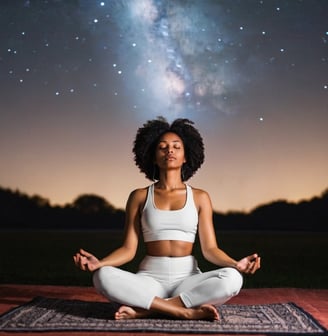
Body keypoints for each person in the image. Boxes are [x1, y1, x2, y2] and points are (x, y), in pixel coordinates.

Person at [73, 117, 261, 321]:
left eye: (176, 147)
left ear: (186, 156)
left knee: (232, 278)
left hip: (188, 279)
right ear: (153, 157)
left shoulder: (200, 197)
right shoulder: (139, 196)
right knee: (102, 276)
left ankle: (147, 309)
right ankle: (183, 311)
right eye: (162, 147)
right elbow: (128, 249)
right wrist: (99, 264)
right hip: (150, 278)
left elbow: (210, 250)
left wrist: (235, 263)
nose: (169, 151)